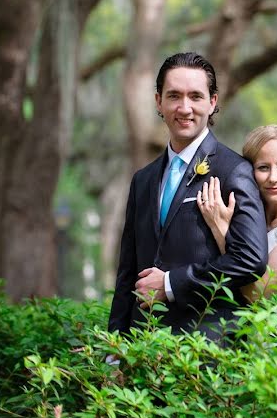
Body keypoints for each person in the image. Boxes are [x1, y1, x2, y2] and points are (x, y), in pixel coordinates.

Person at [108, 53, 268, 339]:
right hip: (141, 347)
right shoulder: (142, 180)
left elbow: (249, 259)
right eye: (174, 96)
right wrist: (114, 349)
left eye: (195, 96)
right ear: (159, 102)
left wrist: (171, 283)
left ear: (212, 102)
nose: (185, 108)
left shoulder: (234, 171)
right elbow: (127, 273)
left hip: (203, 350)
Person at [197, 125, 277, 316]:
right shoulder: (246, 219)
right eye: (263, 168)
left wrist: (221, 231)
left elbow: (256, 292)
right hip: (246, 341)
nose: (273, 178)